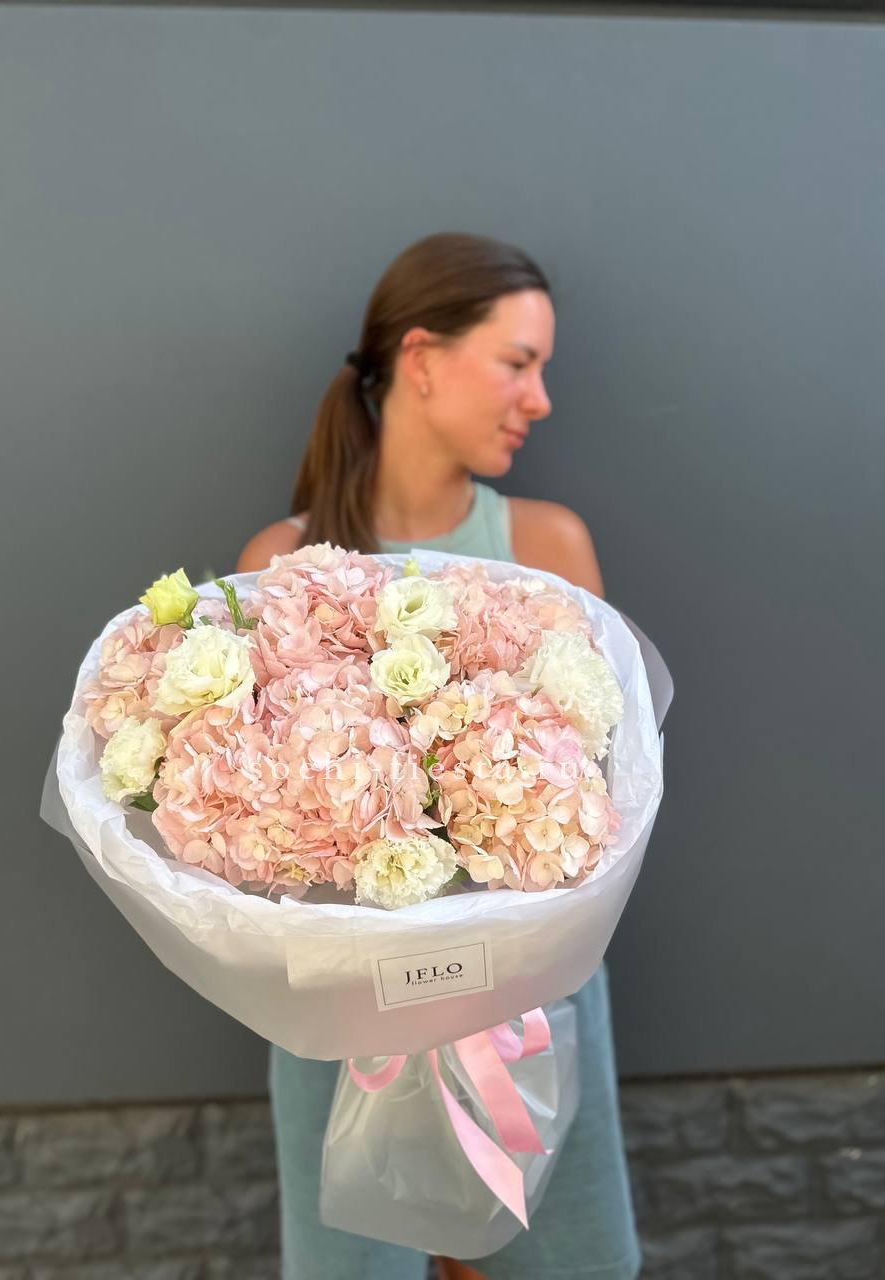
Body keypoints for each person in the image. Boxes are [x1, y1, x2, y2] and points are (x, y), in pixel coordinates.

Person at [236, 232, 641, 1280]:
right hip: (344, 1021)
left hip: (526, 1011)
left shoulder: (548, 548)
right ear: (421, 358)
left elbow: (601, 799)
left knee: (569, 1262)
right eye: (518, 362)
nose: (539, 398)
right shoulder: (279, 566)